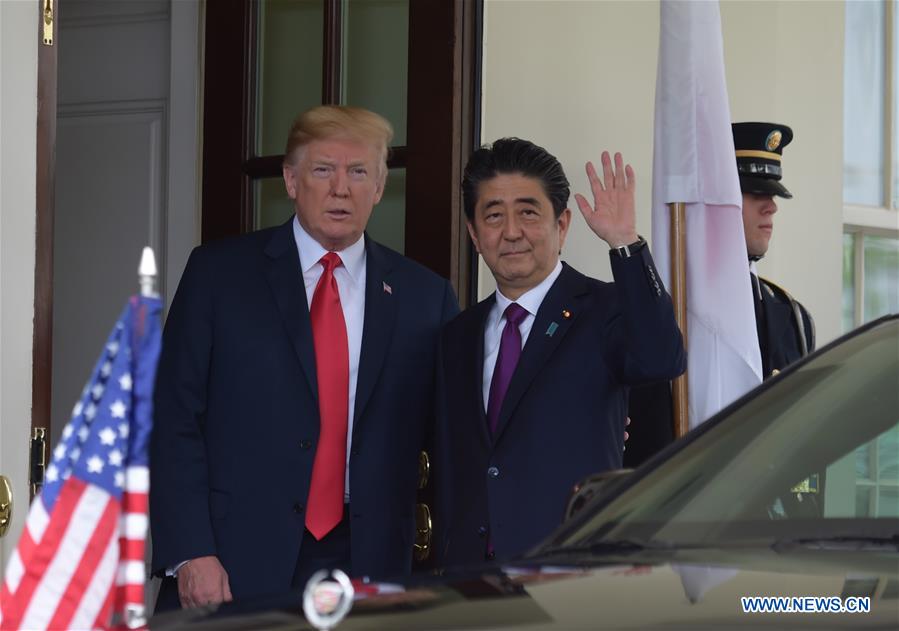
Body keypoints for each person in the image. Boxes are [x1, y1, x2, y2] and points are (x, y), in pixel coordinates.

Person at [150, 105, 458, 609]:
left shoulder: (425, 297)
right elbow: (172, 418)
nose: (341, 189)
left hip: (370, 565)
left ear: (379, 186)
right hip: (232, 561)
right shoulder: (218, 276)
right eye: (323, 169)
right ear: (291, 180)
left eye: (358, 172)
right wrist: (190, 552)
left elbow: (455, 435)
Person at [434, 138, 686, 566]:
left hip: (570, 570)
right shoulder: (457, 335)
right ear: (474, 234)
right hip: (472, 575)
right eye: (493, 216)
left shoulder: (605, 310)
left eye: (528, 213)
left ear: (562, 224)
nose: (511, 232)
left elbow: (662, 358)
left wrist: (625, 244)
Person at [734, 122, 815, 377]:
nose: (772, 207)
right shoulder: (677, 303)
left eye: (772, 195)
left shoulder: (794, 318)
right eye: (755, 192)